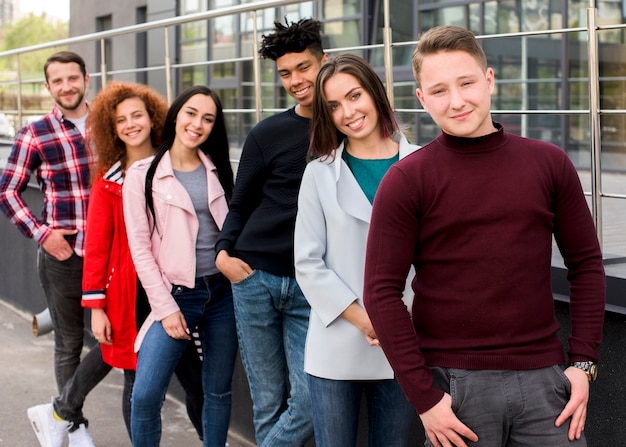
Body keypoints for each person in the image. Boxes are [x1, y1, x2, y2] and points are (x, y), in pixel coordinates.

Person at [362, 25, 606, 447]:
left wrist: (583, 364)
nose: (456, 101)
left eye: (467, 83)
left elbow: (586, 264)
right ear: (421, 99)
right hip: (453, 393)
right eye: (438, 91)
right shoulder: (406, 180)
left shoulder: (549, 164)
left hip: (547, 385)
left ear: (490, 80)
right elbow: (380, 292)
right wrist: (424, 398)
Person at [214, 17, 328, 447]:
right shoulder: (268, 132)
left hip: (311, 284)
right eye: (285, 73)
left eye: (304, 67)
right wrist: (224, 254)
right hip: (253, 276)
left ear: (325, 62)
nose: (296, 80)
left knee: (311, 399)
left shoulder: (348, 128)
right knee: (266, 401)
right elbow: (241, 202)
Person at [294, 53, 418, 447]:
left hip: (405, 341)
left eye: (354, 95)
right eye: (333, 106)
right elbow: (308, 264)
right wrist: (366, 320)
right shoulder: (319, 172)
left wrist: (392, 323)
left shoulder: (422, 164)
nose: (347, 112)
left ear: (375, 93)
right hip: (336, 344)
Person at [79, 81, 205, 440]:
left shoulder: (178, 162)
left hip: (182, 287)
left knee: (197, 380)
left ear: (153, 119)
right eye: (121, 120)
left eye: (138, 115)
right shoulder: (107, 181)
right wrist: (96, 306)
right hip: (130, 297)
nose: (131, 124)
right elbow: (97, 247)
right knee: (138, 384)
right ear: (112, 128)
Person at [0, 50, 108, 447]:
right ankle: (73, 424)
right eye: (57, 81)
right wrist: (43, 233)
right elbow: (7, 190)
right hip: (64, 256)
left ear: (86, 79)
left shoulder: (111, 122)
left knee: (116, 338)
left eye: (72, 78)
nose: (66, 86)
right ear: (48, 87)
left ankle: (58, 410)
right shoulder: (35, 133)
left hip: (111, 254)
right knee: (69, 343)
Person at [123, 85, 237, 447]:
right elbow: (140, 249)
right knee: (145, 396)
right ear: (175, 115)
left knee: (217, 391)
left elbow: (232, 230)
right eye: (191, 113)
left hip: (221, 293)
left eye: (208, 118)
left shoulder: (218, 171)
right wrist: (165, 308)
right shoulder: (141, 174)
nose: (197, 123)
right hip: (175, 295)